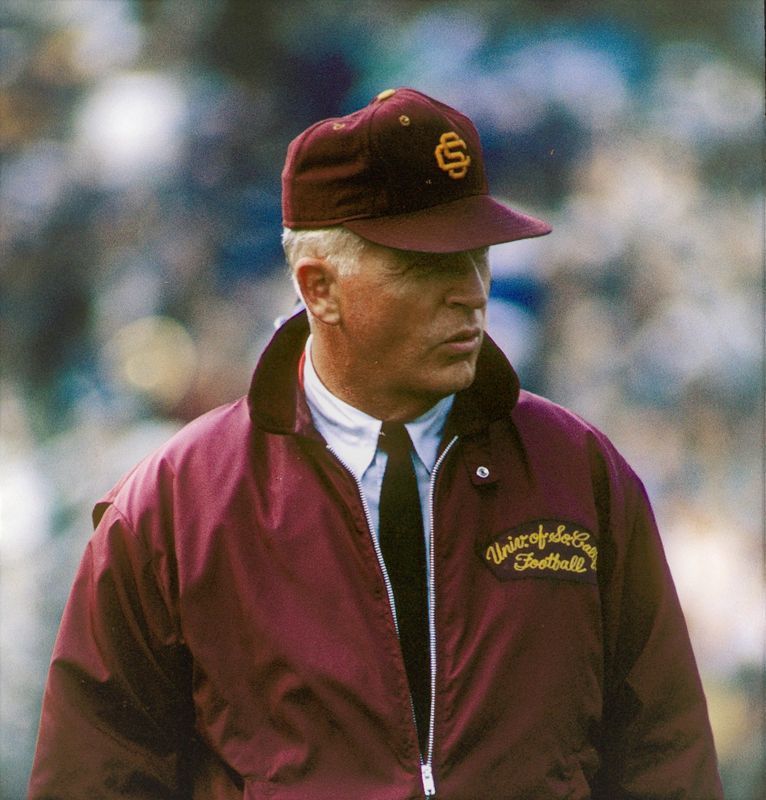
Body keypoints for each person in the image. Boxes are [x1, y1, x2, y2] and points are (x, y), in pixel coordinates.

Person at [28, 87, 723, 799]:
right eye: (429, 266)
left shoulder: (580, 472)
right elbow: (92, 778)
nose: (472, 292)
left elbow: (667, 757)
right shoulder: (170, 511)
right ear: (319, 287)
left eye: (477, 256)